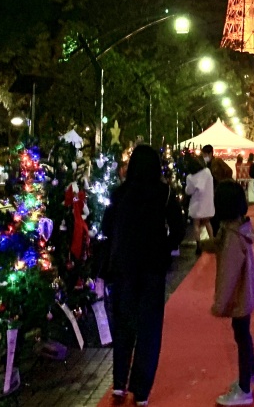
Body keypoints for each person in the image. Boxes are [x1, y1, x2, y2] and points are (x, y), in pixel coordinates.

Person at [101, 145, 186, 406]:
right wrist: (166, 247)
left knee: (124, 324)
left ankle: (119, 383)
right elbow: (179, 226)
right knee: (149, 329)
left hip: (124, 267)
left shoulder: (120, 194)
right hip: (152, 267)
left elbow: (106, 227)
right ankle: (142, 389)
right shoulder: (164, 193)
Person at [202, 181, 254, 406]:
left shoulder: (232, 236)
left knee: (241, 334)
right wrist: (207, 244)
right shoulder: (237, 227)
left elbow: (228, 273)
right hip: (245, 291)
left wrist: (219, 305)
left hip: (239, 294)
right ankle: (253, 371)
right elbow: (219, 244)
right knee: (242, 333)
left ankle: (245, 388)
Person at [184, 156, 215, 255]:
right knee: (207, 222)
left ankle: (198, 245)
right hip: (207, 201)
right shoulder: (207, 172)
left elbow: (189, 191)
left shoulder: (191, 177)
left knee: (196, 224)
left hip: (197, 203)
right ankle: (213, 242)